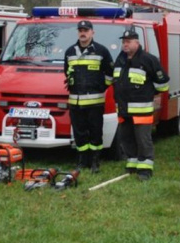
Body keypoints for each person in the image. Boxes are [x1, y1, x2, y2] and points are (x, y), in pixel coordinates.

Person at [112, 27, 169, 181]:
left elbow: (163, 84)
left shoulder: (148, 59)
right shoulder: (120, 59)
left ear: (137, 42)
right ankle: (132, 163)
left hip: (141, 110)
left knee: (143, 139)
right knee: (126, 138)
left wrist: (149, 92)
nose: (125, 45)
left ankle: (145, 169)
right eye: (124, 42)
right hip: (123, 109)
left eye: (128, 42)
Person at [63, 20, 114, 173]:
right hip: (75, 102)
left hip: (95, 101)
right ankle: (82, 160)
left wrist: (100, 86)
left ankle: (95, 161)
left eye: (86, 30)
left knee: (95, 132)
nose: (82, 33)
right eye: (80, 30)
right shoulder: (70, 52)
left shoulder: (102, 51)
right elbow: (67, 72)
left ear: (93, 32)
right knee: (79, 132)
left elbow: (110, 74)